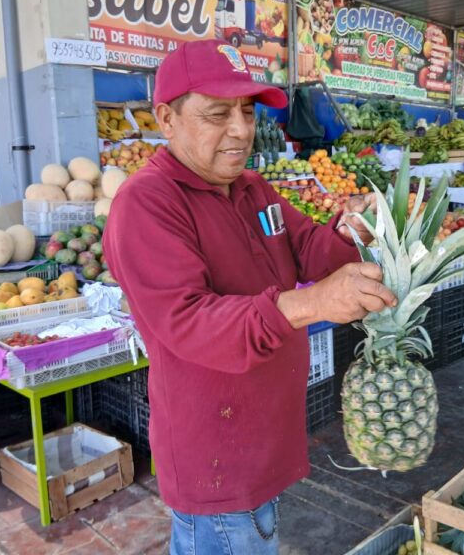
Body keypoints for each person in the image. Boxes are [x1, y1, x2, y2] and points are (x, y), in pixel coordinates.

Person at [102, 40, 395, 555]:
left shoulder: (252, 188)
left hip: (263, 436)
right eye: (218, 114)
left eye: (247, 111)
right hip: (216, 455)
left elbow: (308, 248)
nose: (241, 130)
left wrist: (354, 229)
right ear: (167, 119)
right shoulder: (145, 204)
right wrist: (313, 304)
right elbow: (190, 321)